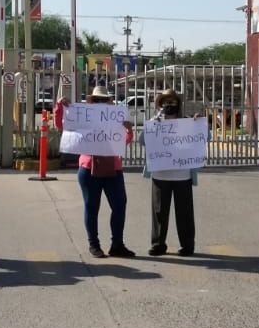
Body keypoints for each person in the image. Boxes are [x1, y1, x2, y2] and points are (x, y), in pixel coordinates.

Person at [58, 85, 136, 259]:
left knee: (119, 205)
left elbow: (124, 141)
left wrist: (128, 129)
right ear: (92, 101)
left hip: (113, 168)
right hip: (88, 167)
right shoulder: (83, 117)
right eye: (97, 99)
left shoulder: (114, 118)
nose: (101, 102)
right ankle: (94, 244)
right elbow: (63, 127)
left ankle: (117, 244)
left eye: (103, 99)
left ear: (108, 102)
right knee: (91, 207)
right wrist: (60, 108)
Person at [142, 89, 203, 257]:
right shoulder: (155, 122)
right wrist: (152, 124)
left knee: (185, 213)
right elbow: (142, 141)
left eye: (172, 102)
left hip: (183, 176)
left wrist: (198, 123)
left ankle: (187, 245)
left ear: (178, 104)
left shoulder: (187, 122)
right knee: (159, 212)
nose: (169, 105)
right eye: (165, 102)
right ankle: (158, 244)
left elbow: (206, 136)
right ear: (160, 105)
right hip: (160, 175)